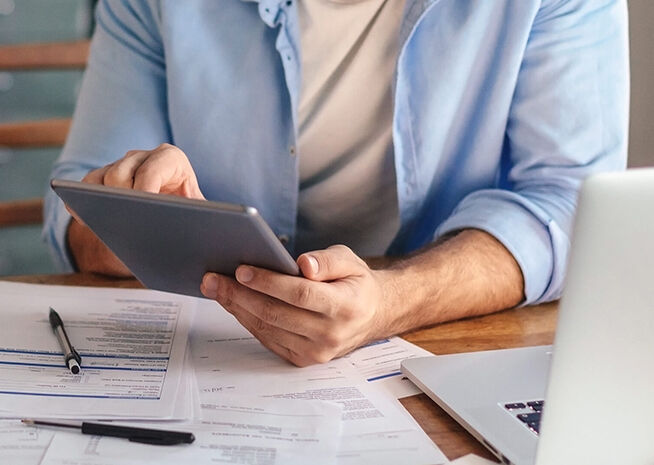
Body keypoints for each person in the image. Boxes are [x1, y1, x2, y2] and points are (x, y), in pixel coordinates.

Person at [44, 0, 629, 366]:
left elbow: (573, 207)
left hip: (445, 344)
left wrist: (392, 301)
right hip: (214, 350)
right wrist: (144, 214)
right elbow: (76, 217)